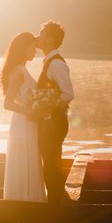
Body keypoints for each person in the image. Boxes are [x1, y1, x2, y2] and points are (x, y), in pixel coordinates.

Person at [1, 32, 47, 202]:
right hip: (23, 123)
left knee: (30, 163)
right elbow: (7, 103)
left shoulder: (23, 69)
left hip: (28, 123)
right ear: (24, 48)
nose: (35, 51)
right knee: (23, 164)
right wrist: (32, 112)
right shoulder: (18, 72)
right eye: (33, 47)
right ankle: (22, 203)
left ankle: (30, 202)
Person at [36, 21, 74, 204]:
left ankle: (55, 206)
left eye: (41, 33)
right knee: (51, 164)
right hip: (51, 122)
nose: (38, 36)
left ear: (50, 38)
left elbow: (68, 94)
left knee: (51, 167)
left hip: (54, 123)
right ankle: (57, 202)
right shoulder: (49, 61)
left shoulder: (56, 64)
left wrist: (48, 110)